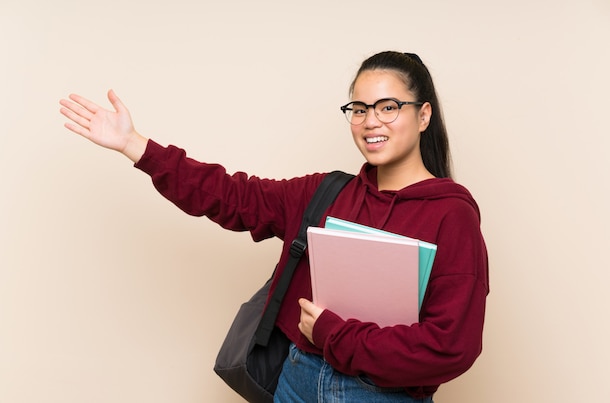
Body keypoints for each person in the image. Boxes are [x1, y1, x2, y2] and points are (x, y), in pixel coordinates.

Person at [59, 51, 489, 402]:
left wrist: (332, 335)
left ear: (423, 114)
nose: (370, 121)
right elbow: (230, 195)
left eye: (388, 107)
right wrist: (135, 146)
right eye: (359, 109)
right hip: (296, 383)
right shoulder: (325, 193)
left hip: (382, 396)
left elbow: (450, 346)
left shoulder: (451, 215)